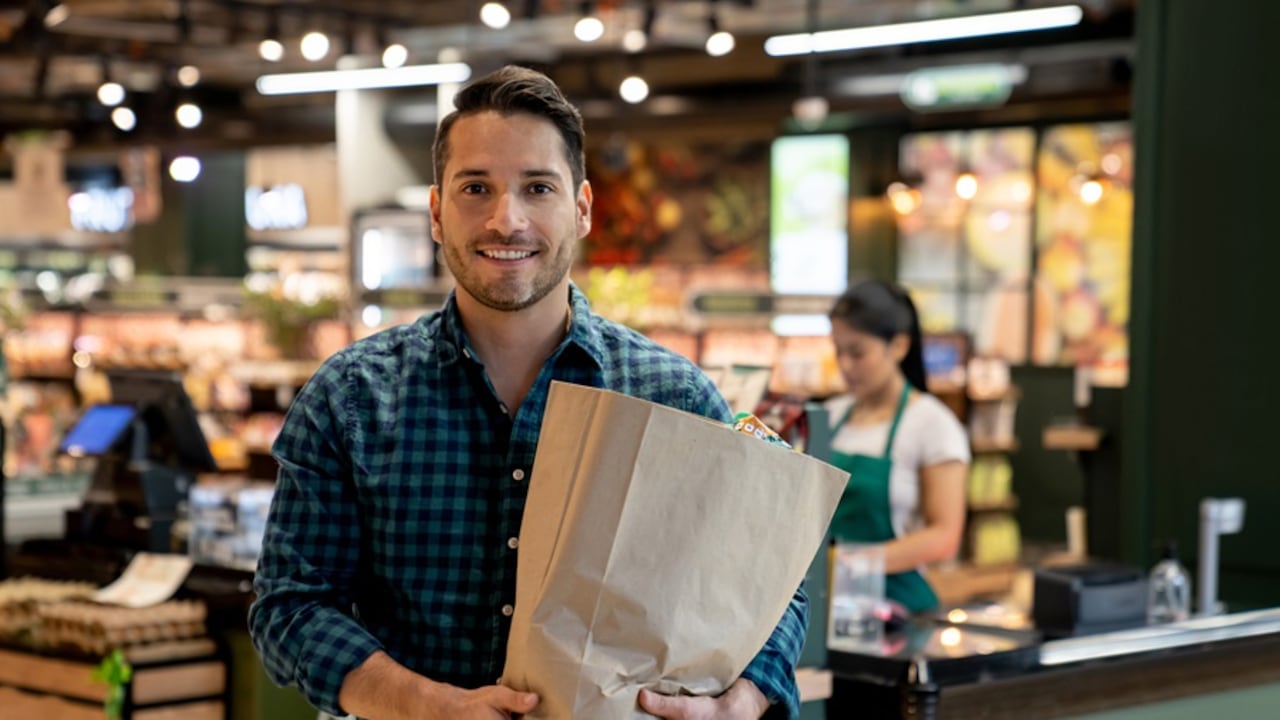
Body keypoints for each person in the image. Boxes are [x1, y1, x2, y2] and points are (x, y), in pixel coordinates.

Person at [248, 65, 806, 720]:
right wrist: (430, 706)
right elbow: (292, 604)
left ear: (583, 208)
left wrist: (742, 700)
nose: (505, 219)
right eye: (475, 187)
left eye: (537, 187)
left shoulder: (673, 396)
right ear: (436, 212)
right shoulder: (348, 400)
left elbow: (769, 585)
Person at [824, 280, 969, 614]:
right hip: (828, 607)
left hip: (898, 614)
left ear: (899, 346)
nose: (845, 365)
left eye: (857, 353)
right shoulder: (829, 417)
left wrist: (851, 564)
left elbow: (945, 536)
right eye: (838, 351)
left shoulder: (933, 425)